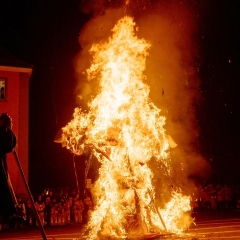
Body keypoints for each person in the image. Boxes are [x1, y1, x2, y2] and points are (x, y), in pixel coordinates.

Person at [0, 113, 17, 230]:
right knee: (3, 188)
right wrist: (9, 130)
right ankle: (7, 212)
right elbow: (10, 146)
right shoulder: (3, 132)